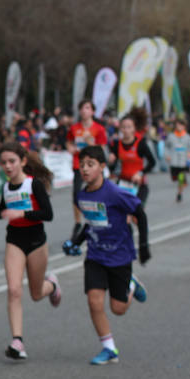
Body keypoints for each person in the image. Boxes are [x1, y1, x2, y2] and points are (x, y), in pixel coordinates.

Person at [70, 146, 149, 365]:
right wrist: (75, 242)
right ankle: (109, 348)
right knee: (94, 302)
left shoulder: (115, 193)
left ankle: (131, 285)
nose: (84, 169)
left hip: (119, 256)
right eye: (82, 165)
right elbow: (91, 224)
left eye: (90, 164)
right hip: (95, 256)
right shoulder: (82, 195)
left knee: (118, 309)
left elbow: (139, 213)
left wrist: (143, 245)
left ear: (102, 167)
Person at [0, 144, 61, 360]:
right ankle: (17, 341)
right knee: (14, 290)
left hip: (36, 242)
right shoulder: (7, 187)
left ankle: (52, 285)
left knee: (36, 294)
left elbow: (48, 214)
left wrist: (23, 213)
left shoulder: (33, 184)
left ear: (23, 162)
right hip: (14, 242)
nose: (7, 166)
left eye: (12, 161)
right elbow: (4, 212)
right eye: (4, 162)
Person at [62, 100, 108, 255]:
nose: (84, 111)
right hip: (78, 165)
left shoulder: (99, 129)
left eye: (87, 108)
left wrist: (91, 142)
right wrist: (71, 148)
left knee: (96, 193)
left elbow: (102, 148)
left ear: (93, 111)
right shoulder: (75, 128)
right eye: (82, 108)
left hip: (94, 166)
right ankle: (77, 222)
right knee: (76, 193)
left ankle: (98, 221)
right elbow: (68, 142)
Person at [106, 112, 158, 203]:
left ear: (134, 128)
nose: (126, 130)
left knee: (136, 213)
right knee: (123, 213)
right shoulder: (116, 144)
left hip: (139, 184)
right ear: (120, 128)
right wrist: (110, 162)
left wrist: (140, 174)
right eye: (123, 127)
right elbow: (112, 168)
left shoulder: (141, 144)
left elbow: (152, 162)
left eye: (129, 127)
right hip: (122, 183)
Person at [165, 119, 190, 202]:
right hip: (174, 162)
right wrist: (167, 155)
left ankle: (179, 193)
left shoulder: (187, 137)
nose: (179, 127)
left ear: (184, 126)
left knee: (181, 179)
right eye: (178, 125)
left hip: (183, 162)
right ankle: (180, 183)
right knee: (174, 178)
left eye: (181, 125)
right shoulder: (171, 136)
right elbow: (166, 147)